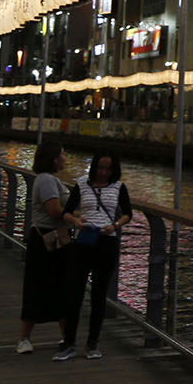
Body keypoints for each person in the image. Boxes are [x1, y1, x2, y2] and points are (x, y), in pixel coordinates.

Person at [59, 152, 133, 360]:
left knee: (99, 295)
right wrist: (76, 222)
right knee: (74, 293)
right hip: (85, 239)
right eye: (100, 167)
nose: (103, 172)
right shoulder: (81, 185)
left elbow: (128, 213)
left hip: (107, 241)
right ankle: (69, 343)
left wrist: (116, 225)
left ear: (114, 170)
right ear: (94, 167)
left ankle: (92, 344)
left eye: (108, 168)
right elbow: (66, 211)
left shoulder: (119, 187)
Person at [19, 139, 88, 358]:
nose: (65, 158)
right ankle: (24, 338)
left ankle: (63, 337)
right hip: (48, 241)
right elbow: (54, 211)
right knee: (42, 286)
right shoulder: (47, 181)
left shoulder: (48, 179)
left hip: (54, 240)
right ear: (54, 159)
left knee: (55, 287)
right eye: (63, 154)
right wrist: (77, 216)